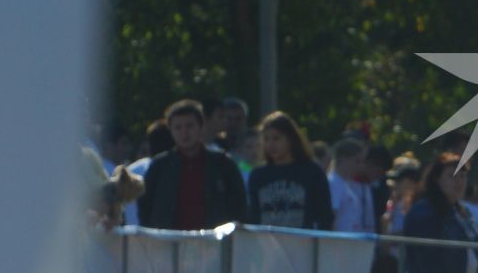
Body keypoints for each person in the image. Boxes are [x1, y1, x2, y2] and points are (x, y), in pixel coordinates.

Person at [138, 99, 247, 230]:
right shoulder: (159, 167)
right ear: (171, 131)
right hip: (169, 243)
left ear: (201, 127)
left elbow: (239, 206)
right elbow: (145, 207)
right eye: (178, 127)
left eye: (190, 126)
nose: (184, 132)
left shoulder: (223, 165)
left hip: (213, 242)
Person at [246, 111, 334, 230]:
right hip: (267, 243)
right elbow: (253, 217)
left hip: (302, 243)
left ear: (290, 139)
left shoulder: (311, 171)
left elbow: (325, 215)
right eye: (266, 139)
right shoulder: (258, 175)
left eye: (276, 138)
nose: (270, 144)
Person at [327, 136, 378, 235]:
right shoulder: (333, 184)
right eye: (357, 161)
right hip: (339, 246)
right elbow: (331, 218)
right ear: (344, 159)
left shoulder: (344, 185)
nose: (361, 167)